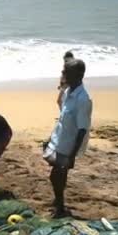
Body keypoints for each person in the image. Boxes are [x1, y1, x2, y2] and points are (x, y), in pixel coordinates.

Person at [43, 59, 92, 217]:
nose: (63, 75)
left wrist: (72, 155)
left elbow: (82, 130)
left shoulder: (83, 99)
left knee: (56, 175)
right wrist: (51, 137)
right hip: (59, 139)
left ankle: (60, 206)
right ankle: (59, 202)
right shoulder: (67, 92)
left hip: (69, 144)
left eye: (66, 72)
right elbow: (62, 119)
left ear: (78, 75)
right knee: (57, 175)